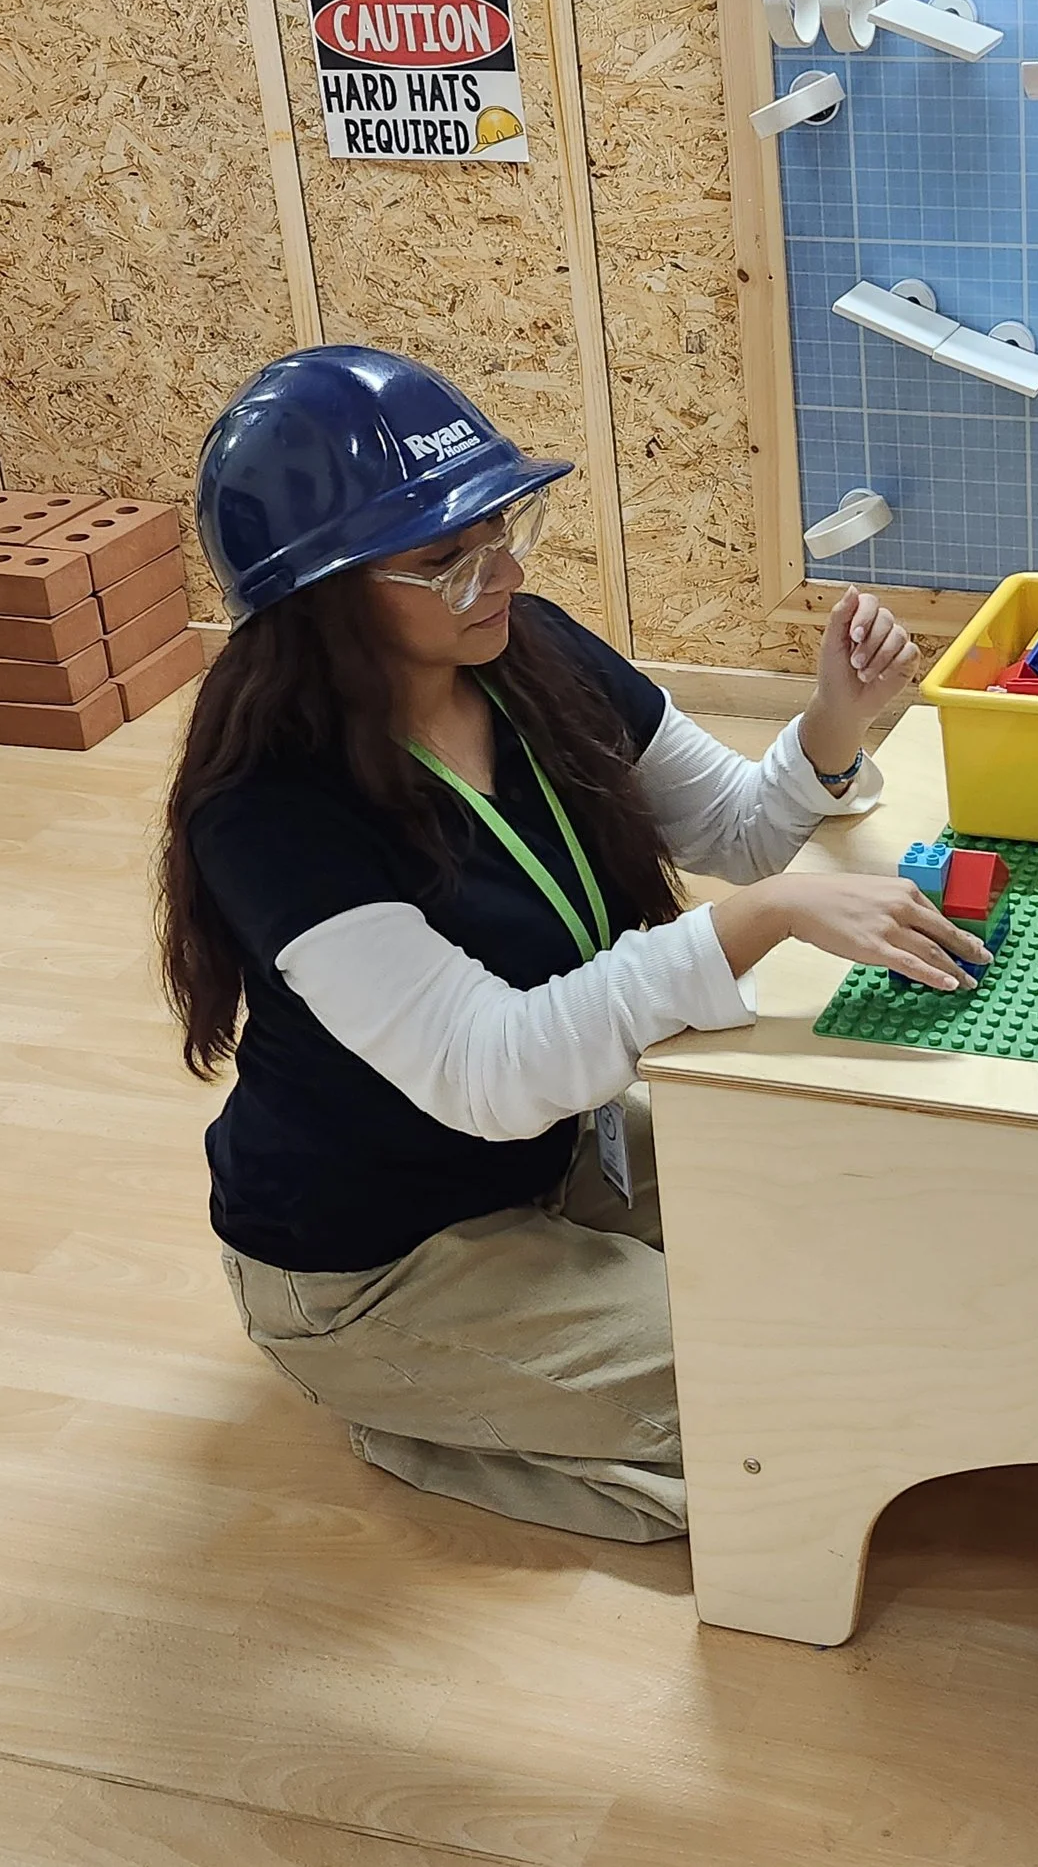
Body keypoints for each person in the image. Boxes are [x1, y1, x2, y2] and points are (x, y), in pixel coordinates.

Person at [158, 346, 985, 1542]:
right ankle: (414, 1402)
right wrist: (757, 923)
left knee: (853, 1223)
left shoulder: (524, 649)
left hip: (554, 1153)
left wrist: (835, 719)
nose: (500, 569)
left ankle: (530, 1375)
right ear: (318, 596)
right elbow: (490, 1070)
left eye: (500, 525)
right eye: (444, 559)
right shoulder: (273, 808)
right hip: (380, 1260)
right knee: (798, 1386)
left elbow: (740, 829)